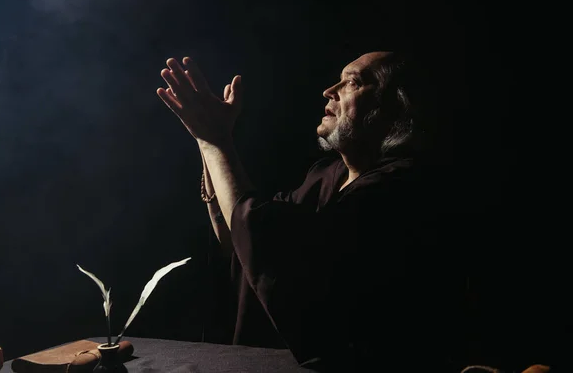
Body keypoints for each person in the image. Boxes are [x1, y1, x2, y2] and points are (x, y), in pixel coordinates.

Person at [156, 51, 464, 371]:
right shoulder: (326, 176)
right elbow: (241, 240)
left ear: (395, 108)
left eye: (352, 82)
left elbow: (263, 243)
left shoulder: (399, 190)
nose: (330, 90)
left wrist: (215, 142)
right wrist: (204, 137)